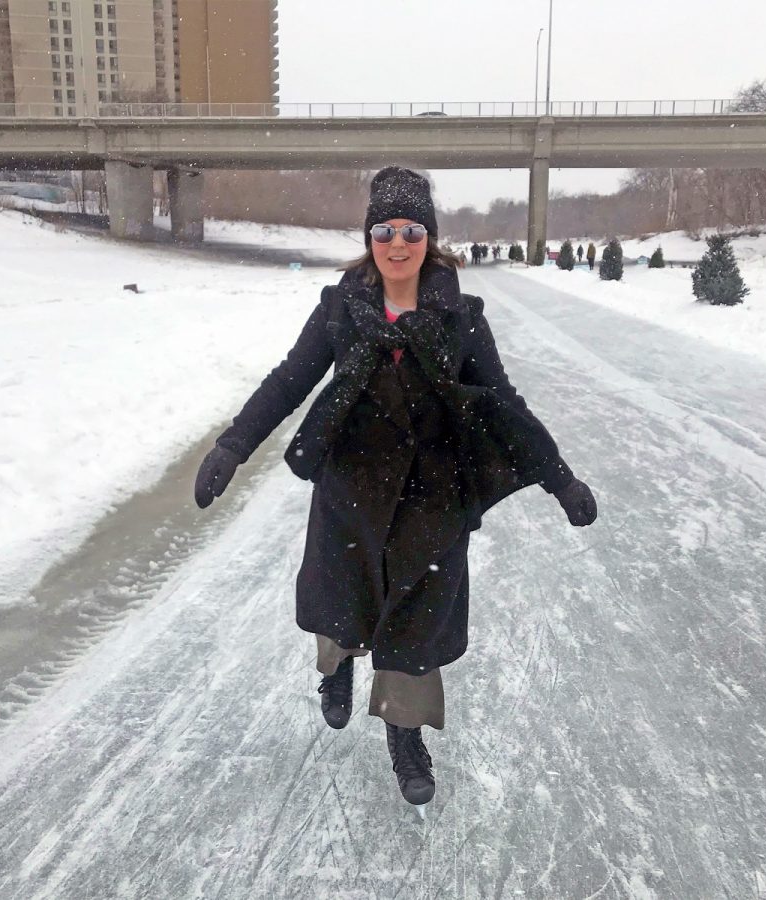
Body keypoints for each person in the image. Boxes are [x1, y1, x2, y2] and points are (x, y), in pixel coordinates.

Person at [193, 166, 597, 806]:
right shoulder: (340, 310)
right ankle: (338, 669)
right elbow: (288, 382)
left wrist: (559, 478)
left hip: (432, 497)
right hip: (351, 484)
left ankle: (404, 736)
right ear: (370, 237)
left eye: (412, 230)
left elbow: (504, 403)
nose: (398, 242)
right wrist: (233, 445)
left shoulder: (461, 319)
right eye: (385, 229)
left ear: (429, 238)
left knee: (417, 623)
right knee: (343, 594)